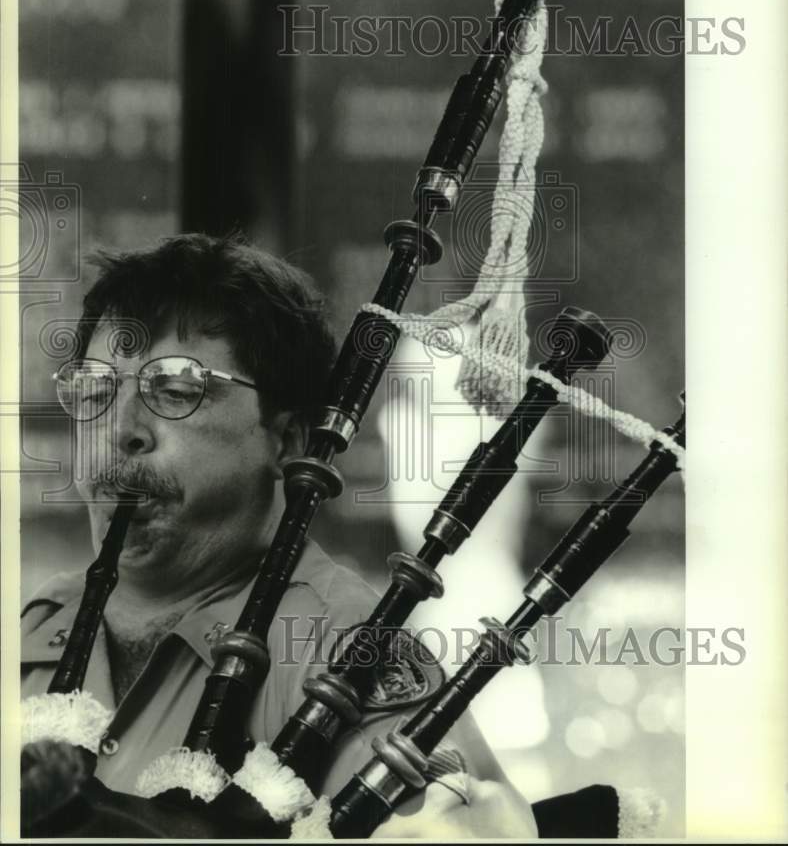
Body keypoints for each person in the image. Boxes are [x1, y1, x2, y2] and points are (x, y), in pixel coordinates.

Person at [21, 232, 538, 839]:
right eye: (97, 387)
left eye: (176, 389)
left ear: (288, 440)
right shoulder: (33, 623)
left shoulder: (341, 645)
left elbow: (473, 828)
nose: (121, 429)